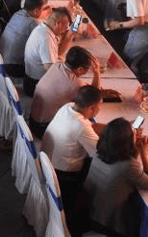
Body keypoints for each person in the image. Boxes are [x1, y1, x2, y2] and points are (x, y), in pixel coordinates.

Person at [43, 85, 105, 233]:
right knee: (105, 170)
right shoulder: (80, 126)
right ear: (91, 108)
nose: (99, 109)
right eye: (99, 107)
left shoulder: (68, 107)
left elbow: (91, 126)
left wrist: (117, 128)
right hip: (66, 178)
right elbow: (102, 154)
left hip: (50, 164)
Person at [84, 117, 148, 236]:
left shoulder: (100, 152)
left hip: (90, 213)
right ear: (127, 143)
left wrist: (136, 149)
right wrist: (144, 153)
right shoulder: (128, 165)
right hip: (109, 224)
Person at [30, 46, 109, 137]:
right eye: (88, 70)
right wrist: (97, 72)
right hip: (44, 129)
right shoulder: (74, 84)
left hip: (33, 121)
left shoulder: (56, 66)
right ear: (80, 69)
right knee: (86, 123)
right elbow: (94, 98)